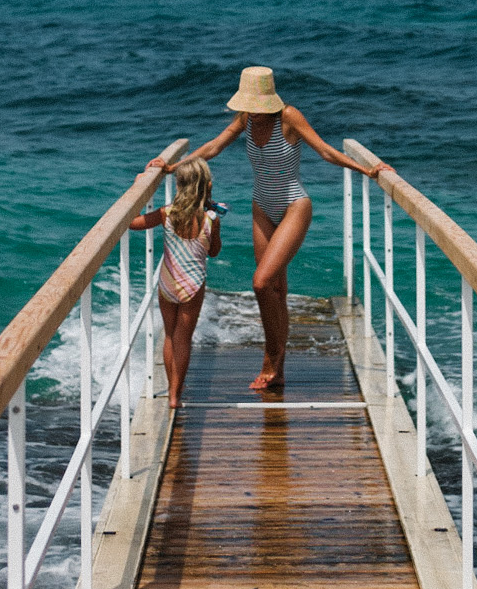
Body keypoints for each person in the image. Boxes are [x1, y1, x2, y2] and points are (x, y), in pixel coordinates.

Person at [150, 68, 391, 393]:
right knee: (273, 289)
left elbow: (325, 150)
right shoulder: (245, 119)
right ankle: (278, 368)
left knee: (261, 282)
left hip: (294, 205)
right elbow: (213, 148)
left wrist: (368, 170)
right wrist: (172, 168)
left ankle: (272, 358)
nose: (254, 112)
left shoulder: (289, 116)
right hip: (261, 206)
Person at [130, 157, 221, 411]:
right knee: (184, 338)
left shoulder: (166, 213)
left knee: (169, 336)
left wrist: (138, 188)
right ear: (207, 186)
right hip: (194, 285)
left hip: (168, 283)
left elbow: (132, 222)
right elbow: (214, 252)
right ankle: (175, 396)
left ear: (179, 186)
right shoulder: (210, 219)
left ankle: (171, 388)